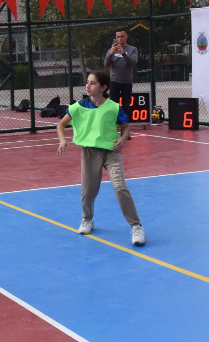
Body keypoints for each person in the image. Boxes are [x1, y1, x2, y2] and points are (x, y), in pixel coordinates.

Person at [57, 69, 146, 247]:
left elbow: (126, 127)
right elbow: (61, 124)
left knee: (120, 188)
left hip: (111, 152)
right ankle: (87, 219)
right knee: (87, 192)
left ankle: (136, 226)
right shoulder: (79, 106)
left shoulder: (113, 107)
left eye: (93, 83)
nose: (88, 86)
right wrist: (62, 140)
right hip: (90, 153)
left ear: (103, 87)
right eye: (87, 82)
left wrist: (122, 140)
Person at [104, 29, 138, 138]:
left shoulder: (132, 49)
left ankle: (125, 133)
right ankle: (113, 132)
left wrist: (123, 54)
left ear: (127, 36)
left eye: (122, 36)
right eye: (118, 37)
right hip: (114, 82)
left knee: (126, 107)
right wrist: (111, 53)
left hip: (127, 82)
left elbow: (132, 63)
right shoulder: (111, 50)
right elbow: (106, 64)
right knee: (114, 107)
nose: (120, 39)